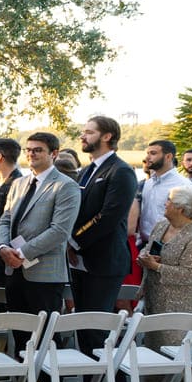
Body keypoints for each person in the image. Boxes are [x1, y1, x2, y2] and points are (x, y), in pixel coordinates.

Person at [68, 117, 138, 349]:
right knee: (83, 327)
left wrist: (75, 241)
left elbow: (108, 216)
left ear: (107, 137)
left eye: (89, 132)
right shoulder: (87, 170)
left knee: (97, 330)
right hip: (80, 259)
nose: (83, 136)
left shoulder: (121, 171)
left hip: (104, 259)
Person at [0, 132, 80, 320]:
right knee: (19, 334)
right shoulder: (18, 183)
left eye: (38, 150)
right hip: (13, 269)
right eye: (28, 150)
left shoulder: (66, 186)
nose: (31, 154)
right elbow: (5, 219)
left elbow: (59, 231)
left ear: (54, 153)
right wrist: (2, 248)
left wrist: (22, 253)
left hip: (44, 274)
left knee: (45, 337)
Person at [137, 186, 192, 349]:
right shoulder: (162, 225)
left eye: (169, 200)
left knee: (177, 354)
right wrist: (144, 256)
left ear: (181, 208)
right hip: (155, 300)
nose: (165, 203)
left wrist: (156, 266)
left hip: (182, 306)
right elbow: (147, 248)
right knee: (153, 351)